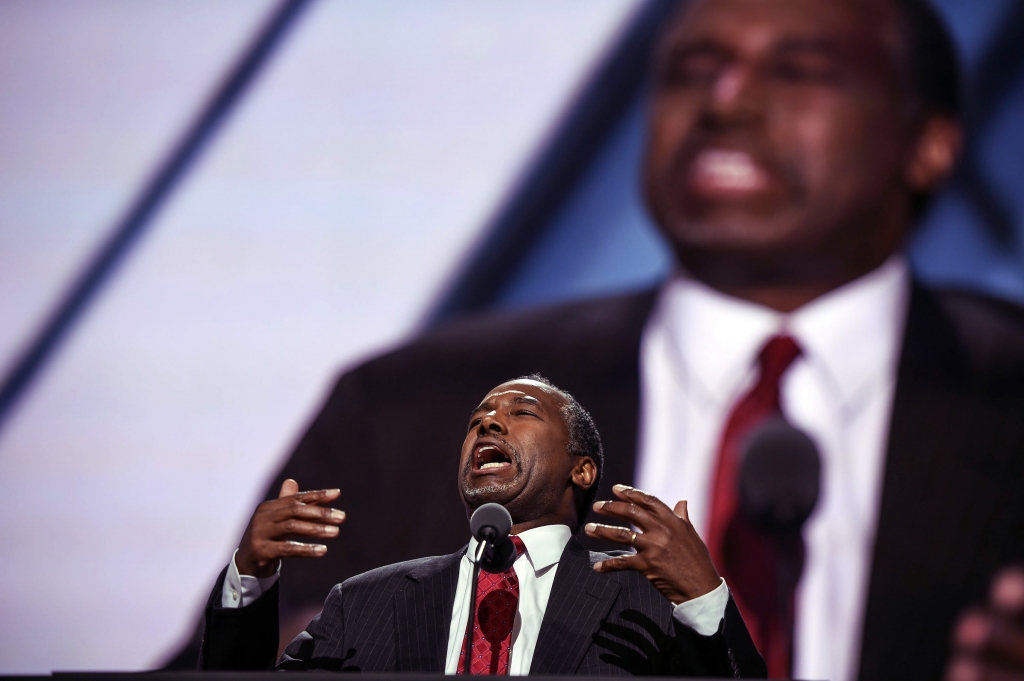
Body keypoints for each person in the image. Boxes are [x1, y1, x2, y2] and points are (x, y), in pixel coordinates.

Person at [170, 0, 1024, 679]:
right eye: (696, 68)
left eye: (800, 70)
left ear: (930, 144)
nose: (727, 99)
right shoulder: (411, 404)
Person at [200, 376, 766, 676]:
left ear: (582, 467)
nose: (489, 420)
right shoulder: (368, 604)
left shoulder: (640, 602)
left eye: (521, 412)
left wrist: (702, 595)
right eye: (477, 421)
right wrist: (249, 580)